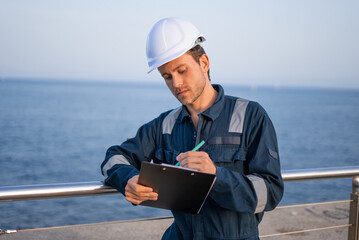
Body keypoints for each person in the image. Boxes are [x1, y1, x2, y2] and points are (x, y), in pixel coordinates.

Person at [101, 17, 284, 240]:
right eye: (167, 76)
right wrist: (128, 179)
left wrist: (217, 176)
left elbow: (271, 193)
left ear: (204, 63)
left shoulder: (250, 116)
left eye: (182, 70)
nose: (175, 83)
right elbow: (114, 157)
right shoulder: (165, 126)